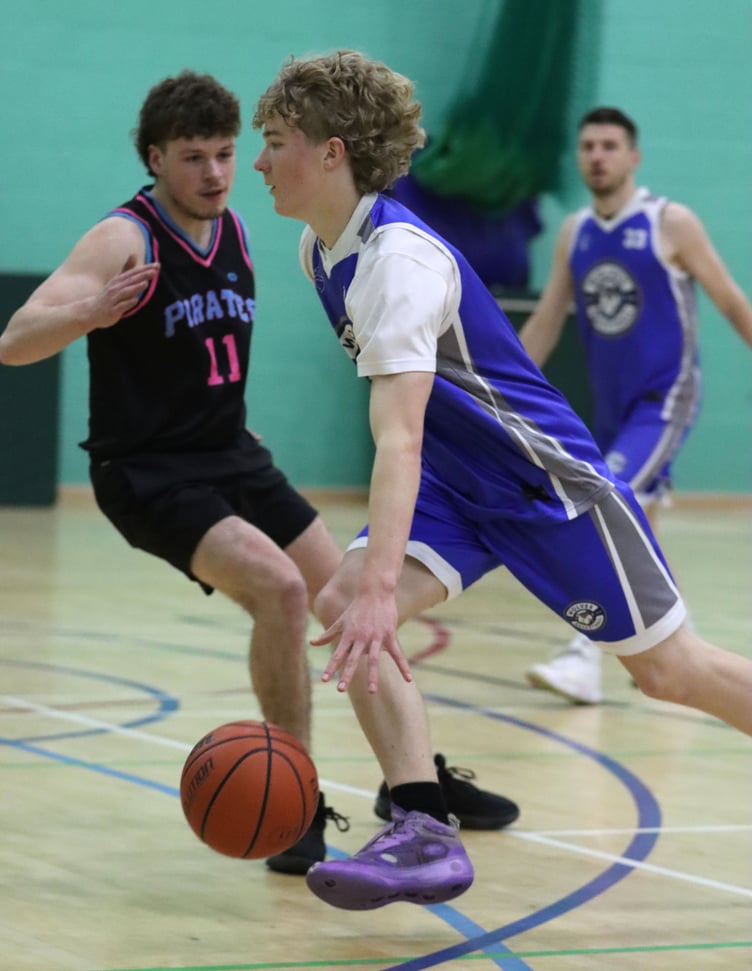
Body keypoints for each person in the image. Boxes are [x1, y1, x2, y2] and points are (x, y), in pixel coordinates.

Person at [251, 50, 752, 912]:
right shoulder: (319, 251)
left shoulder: (399, 262)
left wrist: (384, 585)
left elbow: (397, 438)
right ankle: (422, 826)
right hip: (459, 486)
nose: (259, 160)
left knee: (671, 672)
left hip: (545, 488)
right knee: (342, 603)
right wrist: (367, 586)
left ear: (332, 152)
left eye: (274, 140)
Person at [0, 69, 517, 875]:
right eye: (193, 157)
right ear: (155, 158)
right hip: (148, 473)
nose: (213, 172)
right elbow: (15, 338)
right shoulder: (124, 238)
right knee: (280, 590)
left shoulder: (238, 230)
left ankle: (410, 781)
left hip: (233, 454)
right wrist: (87, 312)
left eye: (225, 154)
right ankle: (296, 802)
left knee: (349, 597)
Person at [520, 107, 752, 704]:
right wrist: (490, 392)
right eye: (588, 145)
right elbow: (547, 320)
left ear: (633, 157)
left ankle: (582, 657)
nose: (597, 154)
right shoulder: (575, 232)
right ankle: (682, 644)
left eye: (610, 145)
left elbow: (729, 300)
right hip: (609, 407)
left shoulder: (669, 221)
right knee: (635, 519)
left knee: (604, 506)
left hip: (665, 397)